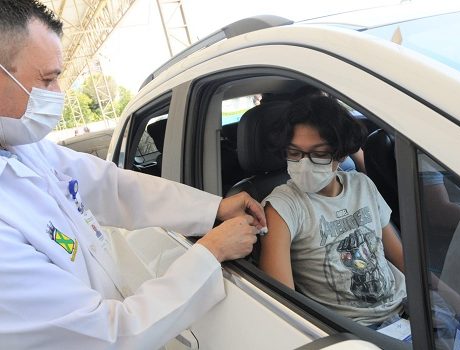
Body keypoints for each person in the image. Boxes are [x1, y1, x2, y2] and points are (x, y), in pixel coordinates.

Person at [0, 1, 266, 349]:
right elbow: (111, 336)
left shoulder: (23, 145)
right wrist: (209, 252)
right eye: (48, 79)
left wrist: (212, 209)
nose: (59, 94)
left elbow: (114, 186)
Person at [259, 95, 406, 327]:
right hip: (358, 332)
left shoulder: (362, 184)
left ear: (341, 154)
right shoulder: (282, 207)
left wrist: (452, 302)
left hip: (407, 308)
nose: (304, 165)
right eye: (294, 153)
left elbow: (401, 258)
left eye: (319, 154)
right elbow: (283, 307)